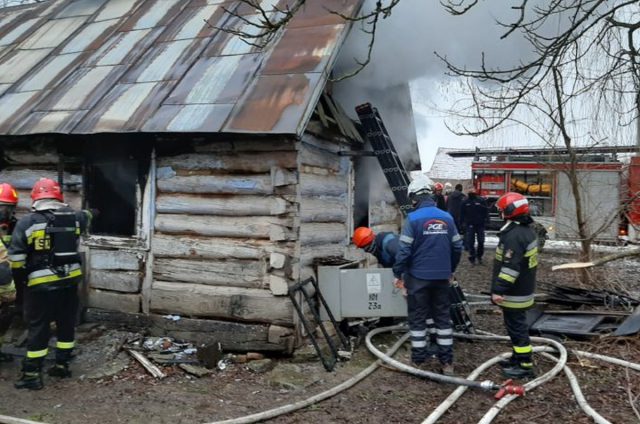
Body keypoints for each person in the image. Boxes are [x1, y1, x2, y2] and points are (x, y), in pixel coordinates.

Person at [9, 178, 94, 390]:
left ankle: (31, 374)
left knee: (39, 327)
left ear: (36, 198)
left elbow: (17, 260)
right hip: (69, 281)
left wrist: (20, 282)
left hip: (40, 286)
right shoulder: (75, 218)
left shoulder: (27, 222)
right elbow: (88, 215)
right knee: (66, 324)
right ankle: (62, 365)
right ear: (58, 197)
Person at [393, 176, 463, 375]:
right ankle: (447, 362)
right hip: (442, 277)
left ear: (414, 198)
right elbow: (458, 246)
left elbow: (404, 251)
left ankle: (418, 360)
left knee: (417, 318)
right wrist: (450, 269)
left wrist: (398, 273)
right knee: (442, 318)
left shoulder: (413, 219)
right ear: (431, 194)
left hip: (418, 278)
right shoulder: (447, 218)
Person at [491, 192, 538, 379]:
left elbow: (510, 268)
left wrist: (498, 290)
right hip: (523, 289)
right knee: (515, 326)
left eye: (502, 209)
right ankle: (517, 357)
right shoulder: (525, 231)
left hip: (514, 292)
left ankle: (525, 364)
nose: (500, 212)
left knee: (517, 328)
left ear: (511, 211)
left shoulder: (515, 236)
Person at [0, 183, 18, 363]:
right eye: (2, 207)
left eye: (9, 207)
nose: (5, 212)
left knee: (4, 318)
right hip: (3, 279)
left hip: (8, 279)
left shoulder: (15, 225)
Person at [460, 187, 488, 264]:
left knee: (481, 241)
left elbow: (485, 211)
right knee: (470, 242)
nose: (471, 192)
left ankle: (479, 256)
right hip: (470, 224)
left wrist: (487, 220)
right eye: (470, 191)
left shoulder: (480, 200)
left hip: (480, 224)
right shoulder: (465, 202)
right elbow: (462, 214)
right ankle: (472, 256)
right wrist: (462, 224)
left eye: (473, 191)